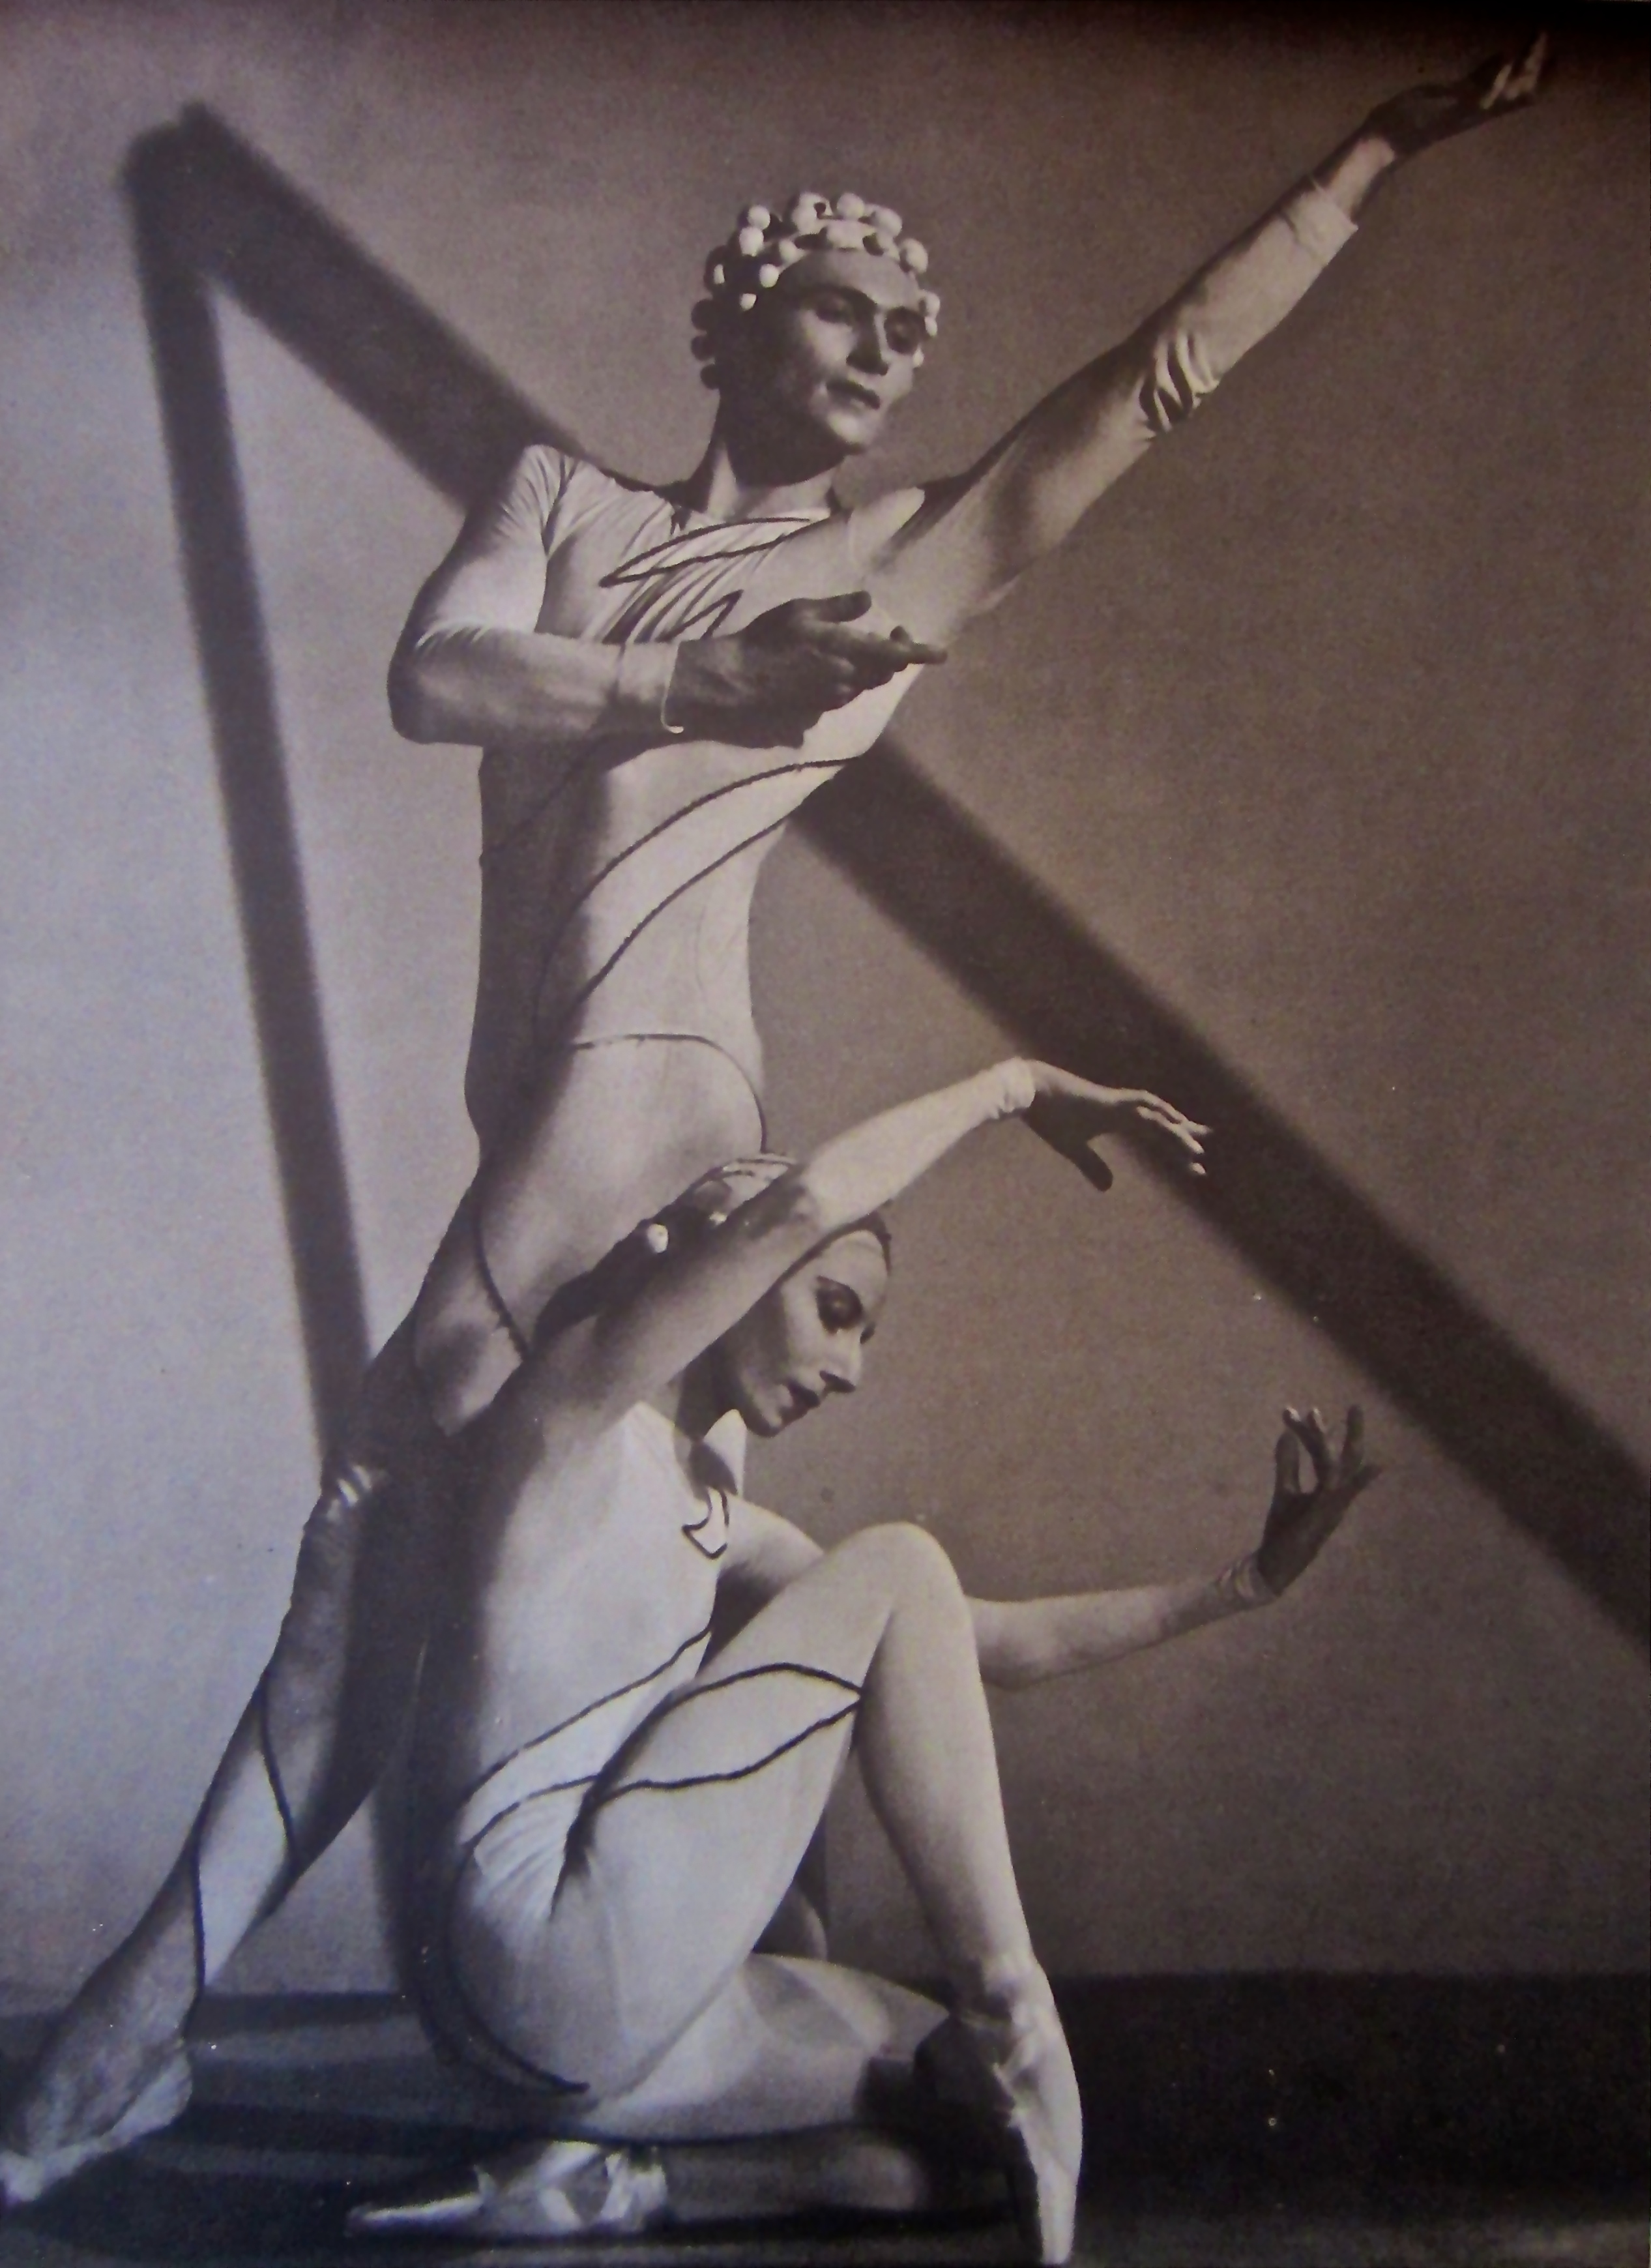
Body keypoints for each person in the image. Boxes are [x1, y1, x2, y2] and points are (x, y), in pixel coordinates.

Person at [0, 38, 1538, 2204]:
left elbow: (1146, 390)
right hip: (541, 1123)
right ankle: (550, 2026)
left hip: (654, 1105)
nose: (893, 351)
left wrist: (1366, 153)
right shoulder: (564, 506)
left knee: (398, 1509)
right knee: (465, 1539)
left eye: (915, 328)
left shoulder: (888, 566)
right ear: (736, 320)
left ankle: (136, 2032)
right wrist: (687, 681)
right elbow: (434, 679)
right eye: (847, 306)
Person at [327, 1059, 1377, 2264]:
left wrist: (1243, 1587)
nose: (851, 1368)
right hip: (528, 1958)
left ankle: (624, 2189)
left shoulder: (712, 1513)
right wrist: (1012, 1087)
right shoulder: (563, 1424)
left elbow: (983, 1643)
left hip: (554, 2034)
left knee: (953, 2112)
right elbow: (805, 1206)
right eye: (834, 1311)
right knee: (900, 1563)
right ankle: (1014, 2007)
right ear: (733, 1264)